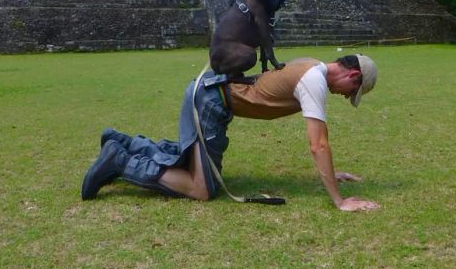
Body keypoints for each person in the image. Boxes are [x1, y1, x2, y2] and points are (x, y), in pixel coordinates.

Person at [81, 54, 380, 212]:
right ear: (353, 75)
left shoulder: (311, 64)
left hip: (209, 93)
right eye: (353, 91)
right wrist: (340, 201)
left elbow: (319, 148)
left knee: (191, 161)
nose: (346, 97)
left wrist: (331, 172)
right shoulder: (314, 80)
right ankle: (120, 161)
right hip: (211, 100)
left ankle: (127, 144)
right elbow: (319, 145)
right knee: (200, 188)